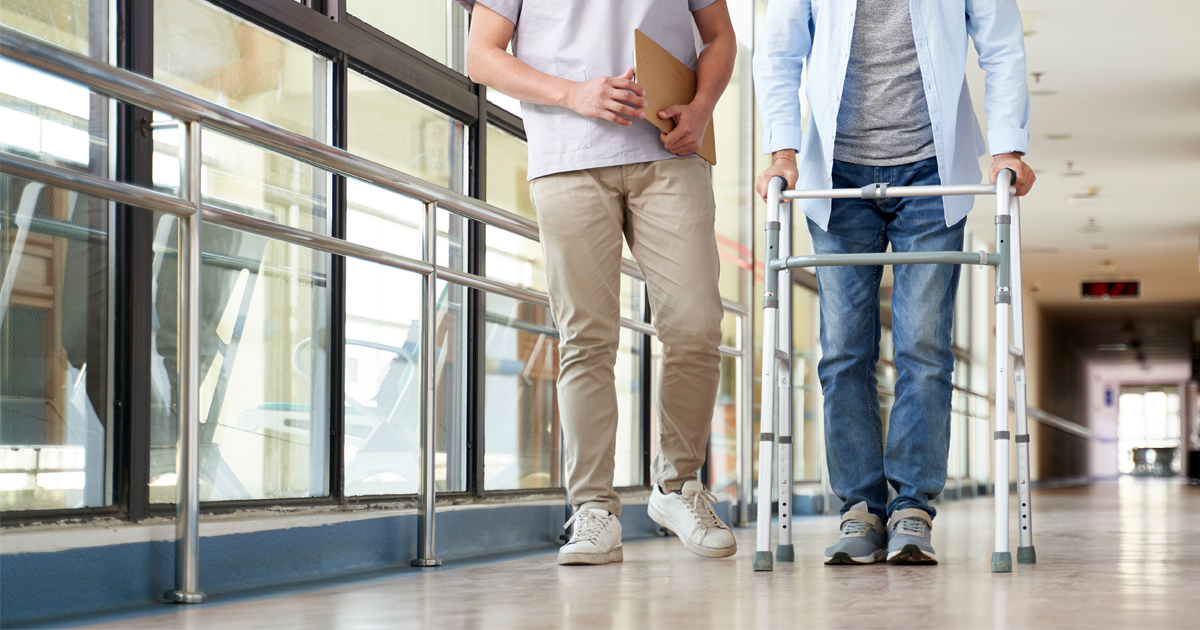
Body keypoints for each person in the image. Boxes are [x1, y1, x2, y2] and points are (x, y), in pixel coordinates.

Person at [753, 0, 1036, 565]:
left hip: (932, 170)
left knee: (924, 347)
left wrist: (1008, 146)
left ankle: (912, 507)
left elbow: (1001, 44)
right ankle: (859, 508)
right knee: (843, 352)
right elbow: (779, 49)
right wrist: (782, 149)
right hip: (834, 173)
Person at [464, 0, 739, 565]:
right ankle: (593, 508)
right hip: (567, 156)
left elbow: (719, 35)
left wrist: (703, 107)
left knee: (695, 325)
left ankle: (677, 487)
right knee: (586, 339)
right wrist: (574, 93)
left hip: (669, 153)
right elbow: (481, 55)